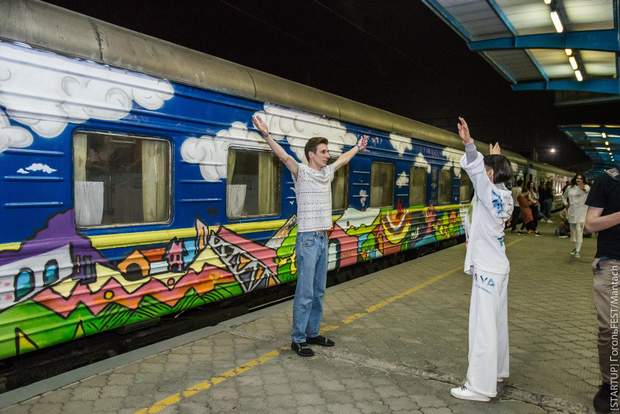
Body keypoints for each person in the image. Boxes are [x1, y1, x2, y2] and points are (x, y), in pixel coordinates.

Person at [252, 115, 368, 357]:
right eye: (323, 151)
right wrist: (266, 135)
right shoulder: (301, 172)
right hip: (307, 239)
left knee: (318, 291)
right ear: (311, 154)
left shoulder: (327, 173)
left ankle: (313, 333)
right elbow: (284, 157)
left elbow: (344, 159)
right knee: (305, 292)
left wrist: (357, 147)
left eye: (327, 151)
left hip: (323, 238)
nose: (328, 155)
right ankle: (298, 339)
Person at [451, 117, 514, 402]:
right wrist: (496, 160)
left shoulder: (488, 191)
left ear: (490, 174)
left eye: (486, 170)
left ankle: (479, 387)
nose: (481, 174)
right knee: (496, 323)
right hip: (498, 267)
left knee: (483, 328)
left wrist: (468, 142)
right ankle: (497, 372)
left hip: (488, 270)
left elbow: (476, 169)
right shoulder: (505, 195)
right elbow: (483, 173)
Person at [585, 165, 620, 414]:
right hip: (612, 264)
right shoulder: (608, 180)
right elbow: (590, 224)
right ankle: (610, 384)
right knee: (611, 327)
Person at [562, 173, 590, 258]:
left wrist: (581, 186)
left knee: (579, 231)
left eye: (581, 178)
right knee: (573, 233)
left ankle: (577, 251)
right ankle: (575, 247)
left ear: (583, 180)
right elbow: (564, 196)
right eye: (577, 178)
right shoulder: (569, 188)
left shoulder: (587, 187)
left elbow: (585, 190)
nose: (579, 180)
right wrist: (566, 204)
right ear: (575, 179)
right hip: (572, 212)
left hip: (581, 212)